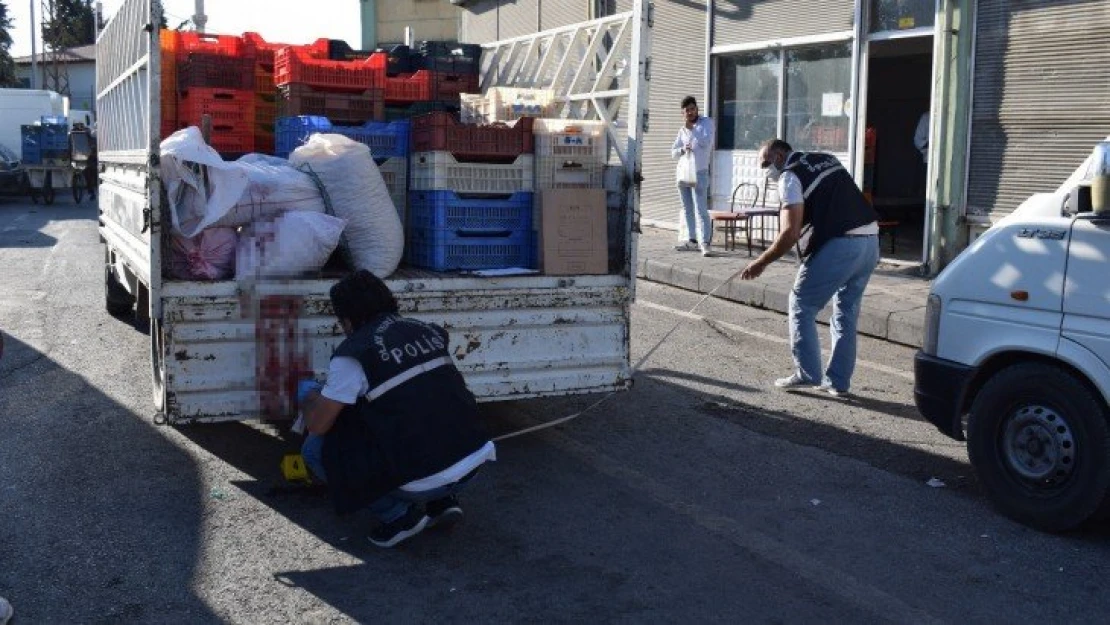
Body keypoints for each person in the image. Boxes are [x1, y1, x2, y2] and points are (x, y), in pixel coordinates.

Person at [297, 270, 496, 548]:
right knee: (419, 408)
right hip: (473, 460)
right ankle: (442, 501)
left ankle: (398, 515)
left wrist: (307, 396)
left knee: (314, 449)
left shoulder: (353, 354)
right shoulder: (428, 330)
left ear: (346, 318)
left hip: (423, 479)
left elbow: (319, 425)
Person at [739, 139, 880, 397]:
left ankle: (808, 373)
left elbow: (789, 232)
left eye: (766, 163)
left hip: (843, 243)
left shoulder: (790, 177)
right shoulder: (824, 158)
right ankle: (838, 382)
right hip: (871, 240)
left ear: (780, 156)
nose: (765, 171)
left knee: (801, 302)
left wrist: (761, 262)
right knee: (846, 312)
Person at [671, 95, 716, 256]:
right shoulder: (682, 129)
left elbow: (706, 142)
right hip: (684, 173)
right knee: (687, 208)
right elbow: (673, 152)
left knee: (701, 209)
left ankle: (705, 242)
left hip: (700, 172)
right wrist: (682, 149)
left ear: (697, 109)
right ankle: (692, 240)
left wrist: (692, 131)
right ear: (682, 113)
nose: (689, 113)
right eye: (686, 111)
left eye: (692, 109)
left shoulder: (707, 123)